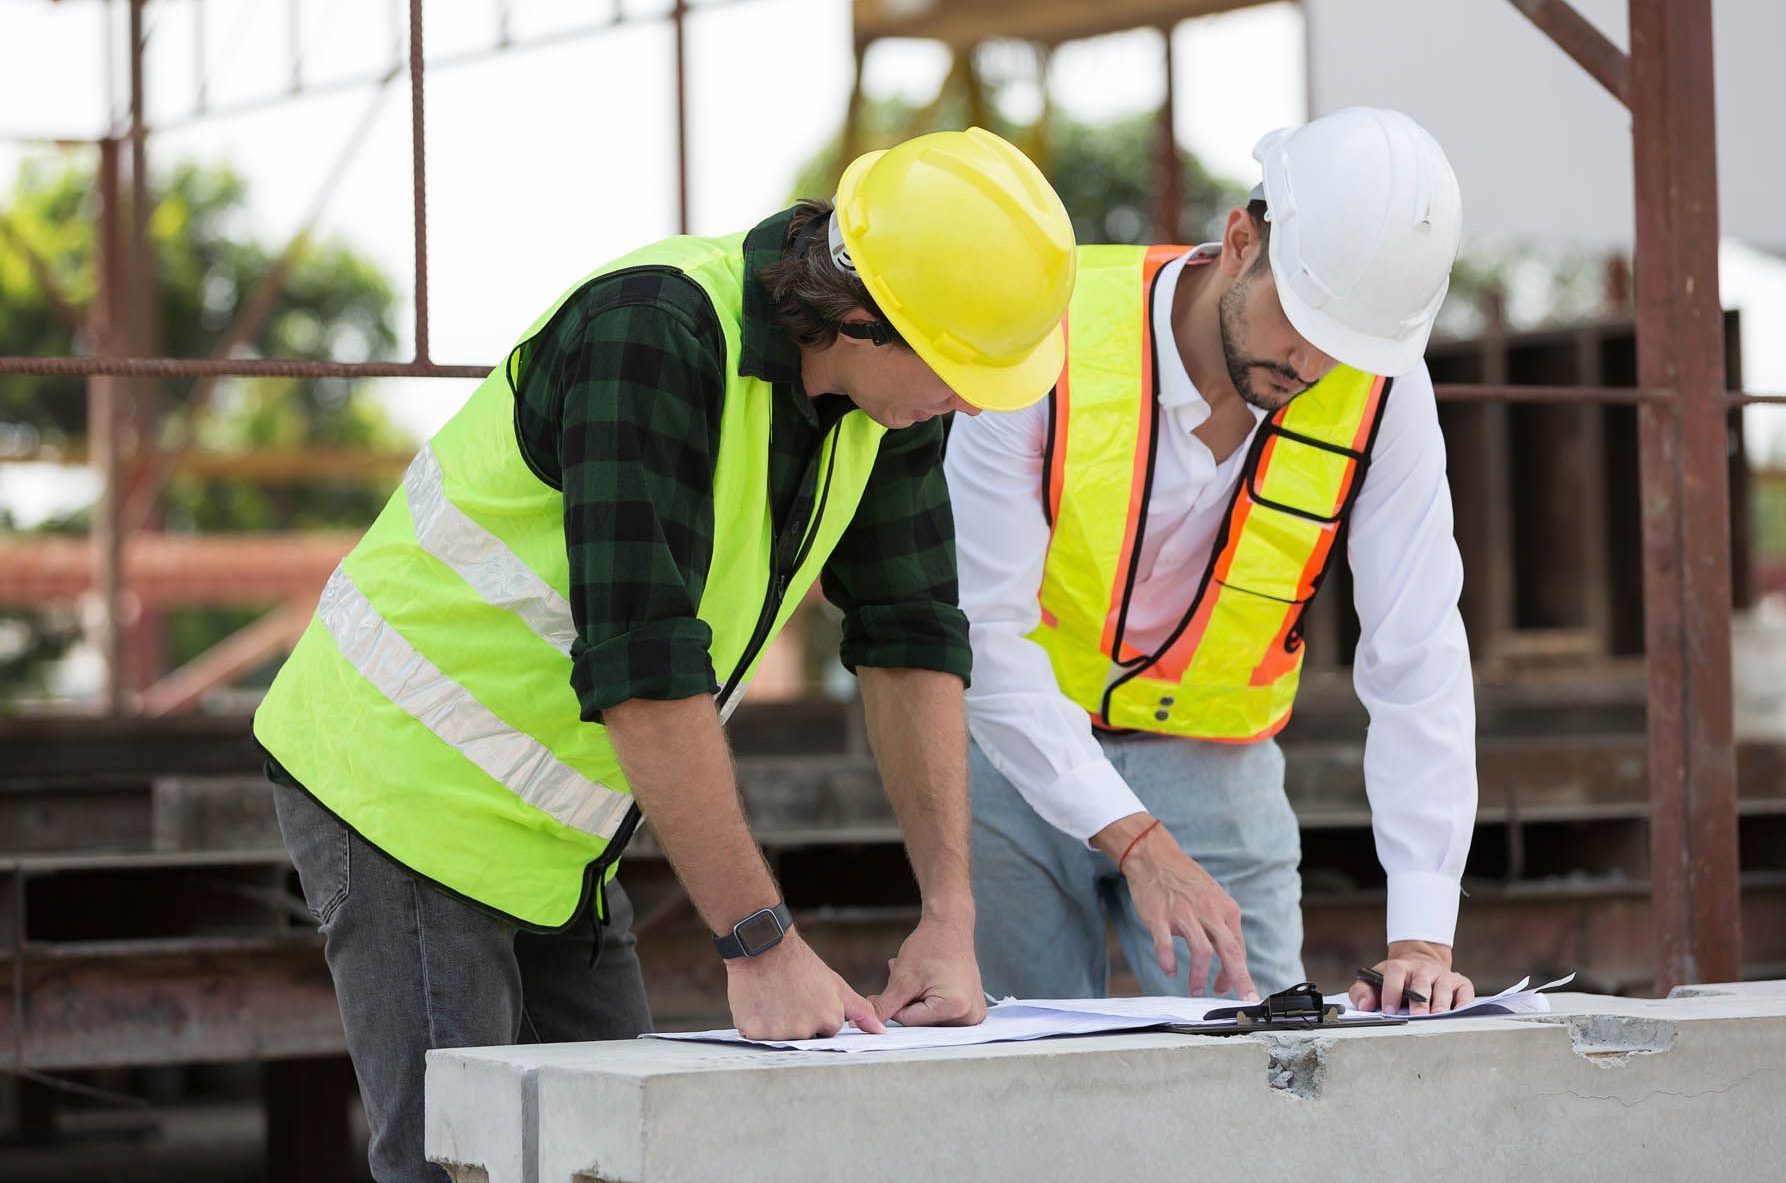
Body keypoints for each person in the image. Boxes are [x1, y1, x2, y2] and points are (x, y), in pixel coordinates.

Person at [254, 127, 1076, 1183]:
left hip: (559, 833)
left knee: (621, 1156)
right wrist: (762, 943)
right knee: (458, 1162)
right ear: (865, 315)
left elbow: (912, 639)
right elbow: (645, 668)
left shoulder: (888, 398)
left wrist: (950, 917)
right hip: (396, 784)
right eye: (961, 370)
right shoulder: (649, 334)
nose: (971, 401)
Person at [948, 107, 1478, 1016]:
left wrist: (1422, 932)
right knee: (1012, 1073)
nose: (1315, 362)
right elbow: (981, 630)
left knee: (1268, 1077)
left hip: (1219, 766)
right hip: (1014, 756)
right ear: (1240, 241)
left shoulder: (1385, 390)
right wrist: (1142, 846)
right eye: (1301, 318)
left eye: (1348, 343)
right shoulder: (1051, 334)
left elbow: (1418, 647)